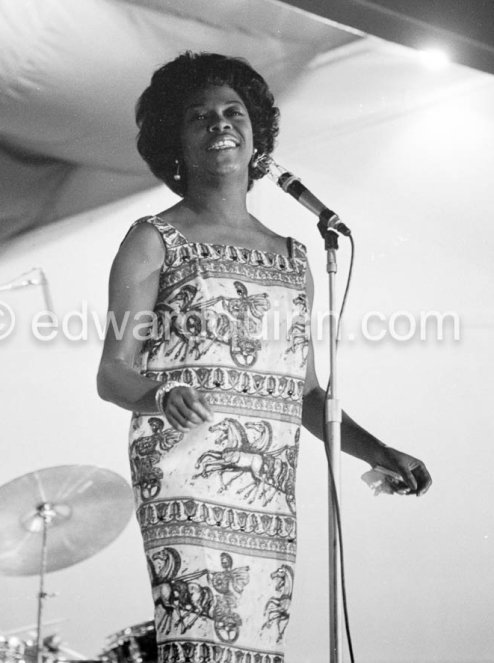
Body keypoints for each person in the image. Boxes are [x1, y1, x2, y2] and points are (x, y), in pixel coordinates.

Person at [97, 52, 432, 663]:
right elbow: (113, 372)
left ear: (257, 136)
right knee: (204, 638)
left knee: (254, 646)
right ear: (176, 137)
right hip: (187, 467)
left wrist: (379, 451)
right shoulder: (154, 239)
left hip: (266, 481)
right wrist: (159, 395)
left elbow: (302, 394)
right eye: (198, 116)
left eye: (233, 112)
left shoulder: (293, 254)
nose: (219, 123)